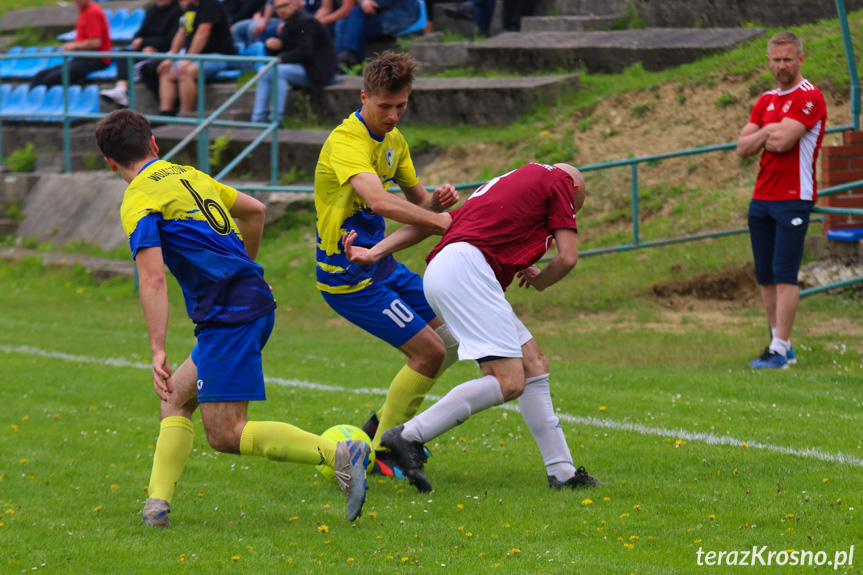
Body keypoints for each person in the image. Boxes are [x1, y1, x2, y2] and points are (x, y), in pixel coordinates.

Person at [94, 109, 370, 526]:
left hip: (230, 316)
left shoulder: (139, 199)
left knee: (226, 433)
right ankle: (157, 506)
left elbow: (152, 278)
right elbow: (255, 210)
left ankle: (340, 455)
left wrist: (157, 349)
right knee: (174, 399)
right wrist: (247, 271)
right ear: (154, 143)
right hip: (245, 305)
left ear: (111, 163)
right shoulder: (189, 175)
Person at [342, 162, 600, 493]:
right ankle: (407, 435)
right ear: (574, 191)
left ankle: (563, 473)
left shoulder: (502, 185)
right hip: (467, 271)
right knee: (509, 382)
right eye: (573, 210)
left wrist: (376, 252)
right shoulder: (562, 180)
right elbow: (567, 257)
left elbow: (439, 224)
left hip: (449, 270)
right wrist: (542, 282)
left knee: (534, 364)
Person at [314, 51, 461, 476]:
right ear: (364, 97)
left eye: (402, 105)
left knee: (451, 342)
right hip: (349, 277)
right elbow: (379, 201)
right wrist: (440, 220)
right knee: (430, 353)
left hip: (383, 266)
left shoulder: (394, 143)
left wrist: (441, 203)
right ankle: (385, 448)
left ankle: (381, 428)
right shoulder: (347, 142)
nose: (394, 115)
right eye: (385, 107)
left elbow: (420, 202)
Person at [736, 32, 826, 370]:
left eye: (788, 59)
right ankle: (778, 344)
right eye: (776, 60)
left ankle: (780, 347)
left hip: (793, 198)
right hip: (762, 196)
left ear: (800, 59)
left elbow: (783, 142)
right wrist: (765, 132)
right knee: (766, 275)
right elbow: (743, 149)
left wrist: (762, 134)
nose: (782, 65)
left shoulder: (810, 97)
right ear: (769, 61)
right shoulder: (765, 99)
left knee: (786, 274)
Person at [250, 0, 339, 123]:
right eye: (278, 7)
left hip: (321, 72)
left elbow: (304, 51)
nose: (281, 10)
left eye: (285, 5)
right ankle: (257, 119)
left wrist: (282, 58)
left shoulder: (307, 22)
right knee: (263, 70)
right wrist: (271, 47)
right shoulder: (288, 24)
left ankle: (275, 120)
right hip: (305, 69)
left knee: (277, 71)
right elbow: (289, 51)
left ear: (295, 4)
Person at [157, 0, 238, 116]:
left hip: (219, 56)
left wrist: (188, 58)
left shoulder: (212, 5)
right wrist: (171, 57)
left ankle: (185, 116)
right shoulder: (191, 7)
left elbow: (203, 33)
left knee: (186, 71)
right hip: (197, 57)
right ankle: (166, 114)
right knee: (166, 71)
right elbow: (182, 32)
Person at [99, 0, 184, 108]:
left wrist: (145, 43)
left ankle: (168, 110)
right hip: (147, 51)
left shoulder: (179, 11)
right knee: (124, 54)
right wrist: (144, 46)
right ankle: (121, 89)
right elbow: (139, 34)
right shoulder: (152, 11)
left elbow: (172, 40)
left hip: (165, 53)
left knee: (151, 68)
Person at [30, 0, 111, 88]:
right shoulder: (84, 10)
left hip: (95, 60)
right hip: (82, 58)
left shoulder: (93, 12)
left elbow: (95, 42)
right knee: (40, 76)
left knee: (50, 80)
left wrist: (73, 46)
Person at [333, 0, 419, 67]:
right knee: (344, 23)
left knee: (356, 18)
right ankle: (346, 58)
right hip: (382, 15)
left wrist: (364, 1)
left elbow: (382, 2)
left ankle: (347, 58)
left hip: (399, 16)